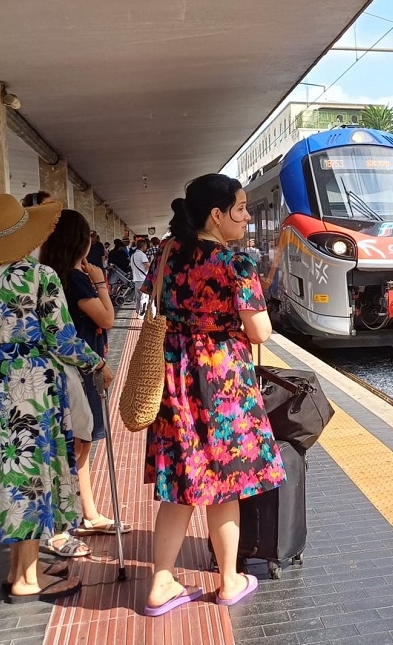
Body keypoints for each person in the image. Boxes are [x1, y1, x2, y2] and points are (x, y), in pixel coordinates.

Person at [0, 193, 113, 604]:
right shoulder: (38, 277)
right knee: (29, 476)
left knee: (8, 474)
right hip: (31, 389)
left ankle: (19, 567)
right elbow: (63, 338)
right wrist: (97, 364)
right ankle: (27, 578)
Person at [141, 173, 282, 616]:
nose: (245, 217)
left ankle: (162, 584)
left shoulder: (166, 255)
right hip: (222, 382)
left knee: (182, 482)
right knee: (225, 481)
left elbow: (157, 303)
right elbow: (260, 330)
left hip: (176, 379)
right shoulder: (234, 263)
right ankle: (227, 581)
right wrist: (227, 330)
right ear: (217, 215)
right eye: (240, 209)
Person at [40, 209, 130, 545]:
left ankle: (88, 512)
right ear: (80, 242)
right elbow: (106, 319)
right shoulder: (75, 278)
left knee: (80, 444)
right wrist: (101, 282)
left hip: (65, 368)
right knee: (80, 444)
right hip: (81, 367)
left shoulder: (49, 274)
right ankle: (68, 521)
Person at [129, 239, 151, 316]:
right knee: (144, 297)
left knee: (138, 298)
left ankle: (138, 312)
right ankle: (142, 313)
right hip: (143, 279)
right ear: (143, 246)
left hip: (136, 279)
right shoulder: (142, 255)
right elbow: (148, 266)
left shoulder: (133, 255)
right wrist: (151, 260)